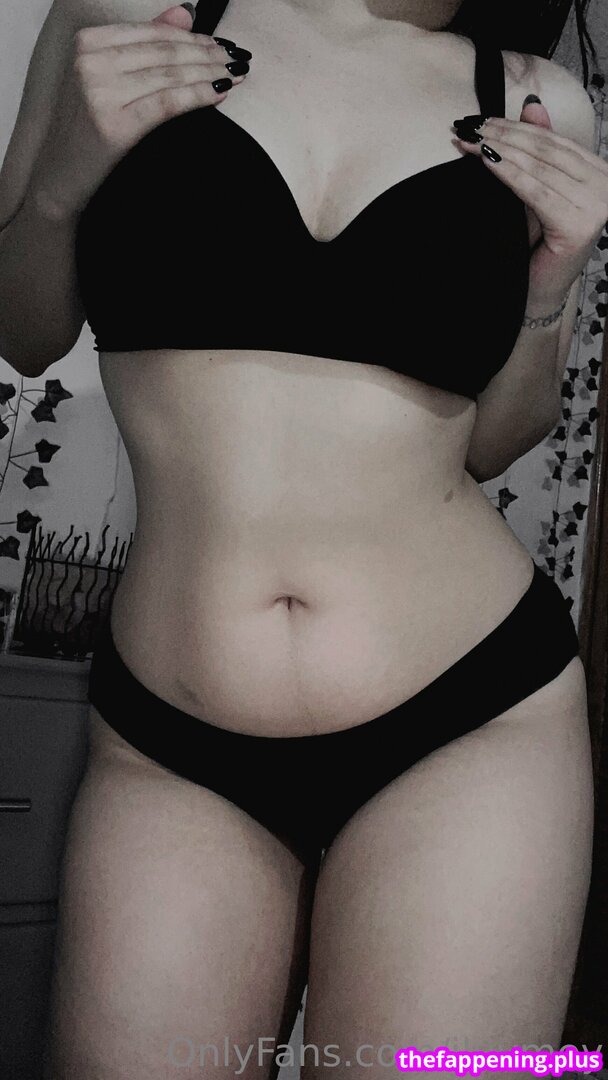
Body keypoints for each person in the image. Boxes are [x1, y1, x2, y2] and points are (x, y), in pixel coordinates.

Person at [0, 0, 606, 1076]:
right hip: (172, 748)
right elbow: (26, 331)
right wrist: (60, 187)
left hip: (474, 727)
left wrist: (551, 282)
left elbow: (496, 440)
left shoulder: (531, 97)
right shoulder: (131, 14)